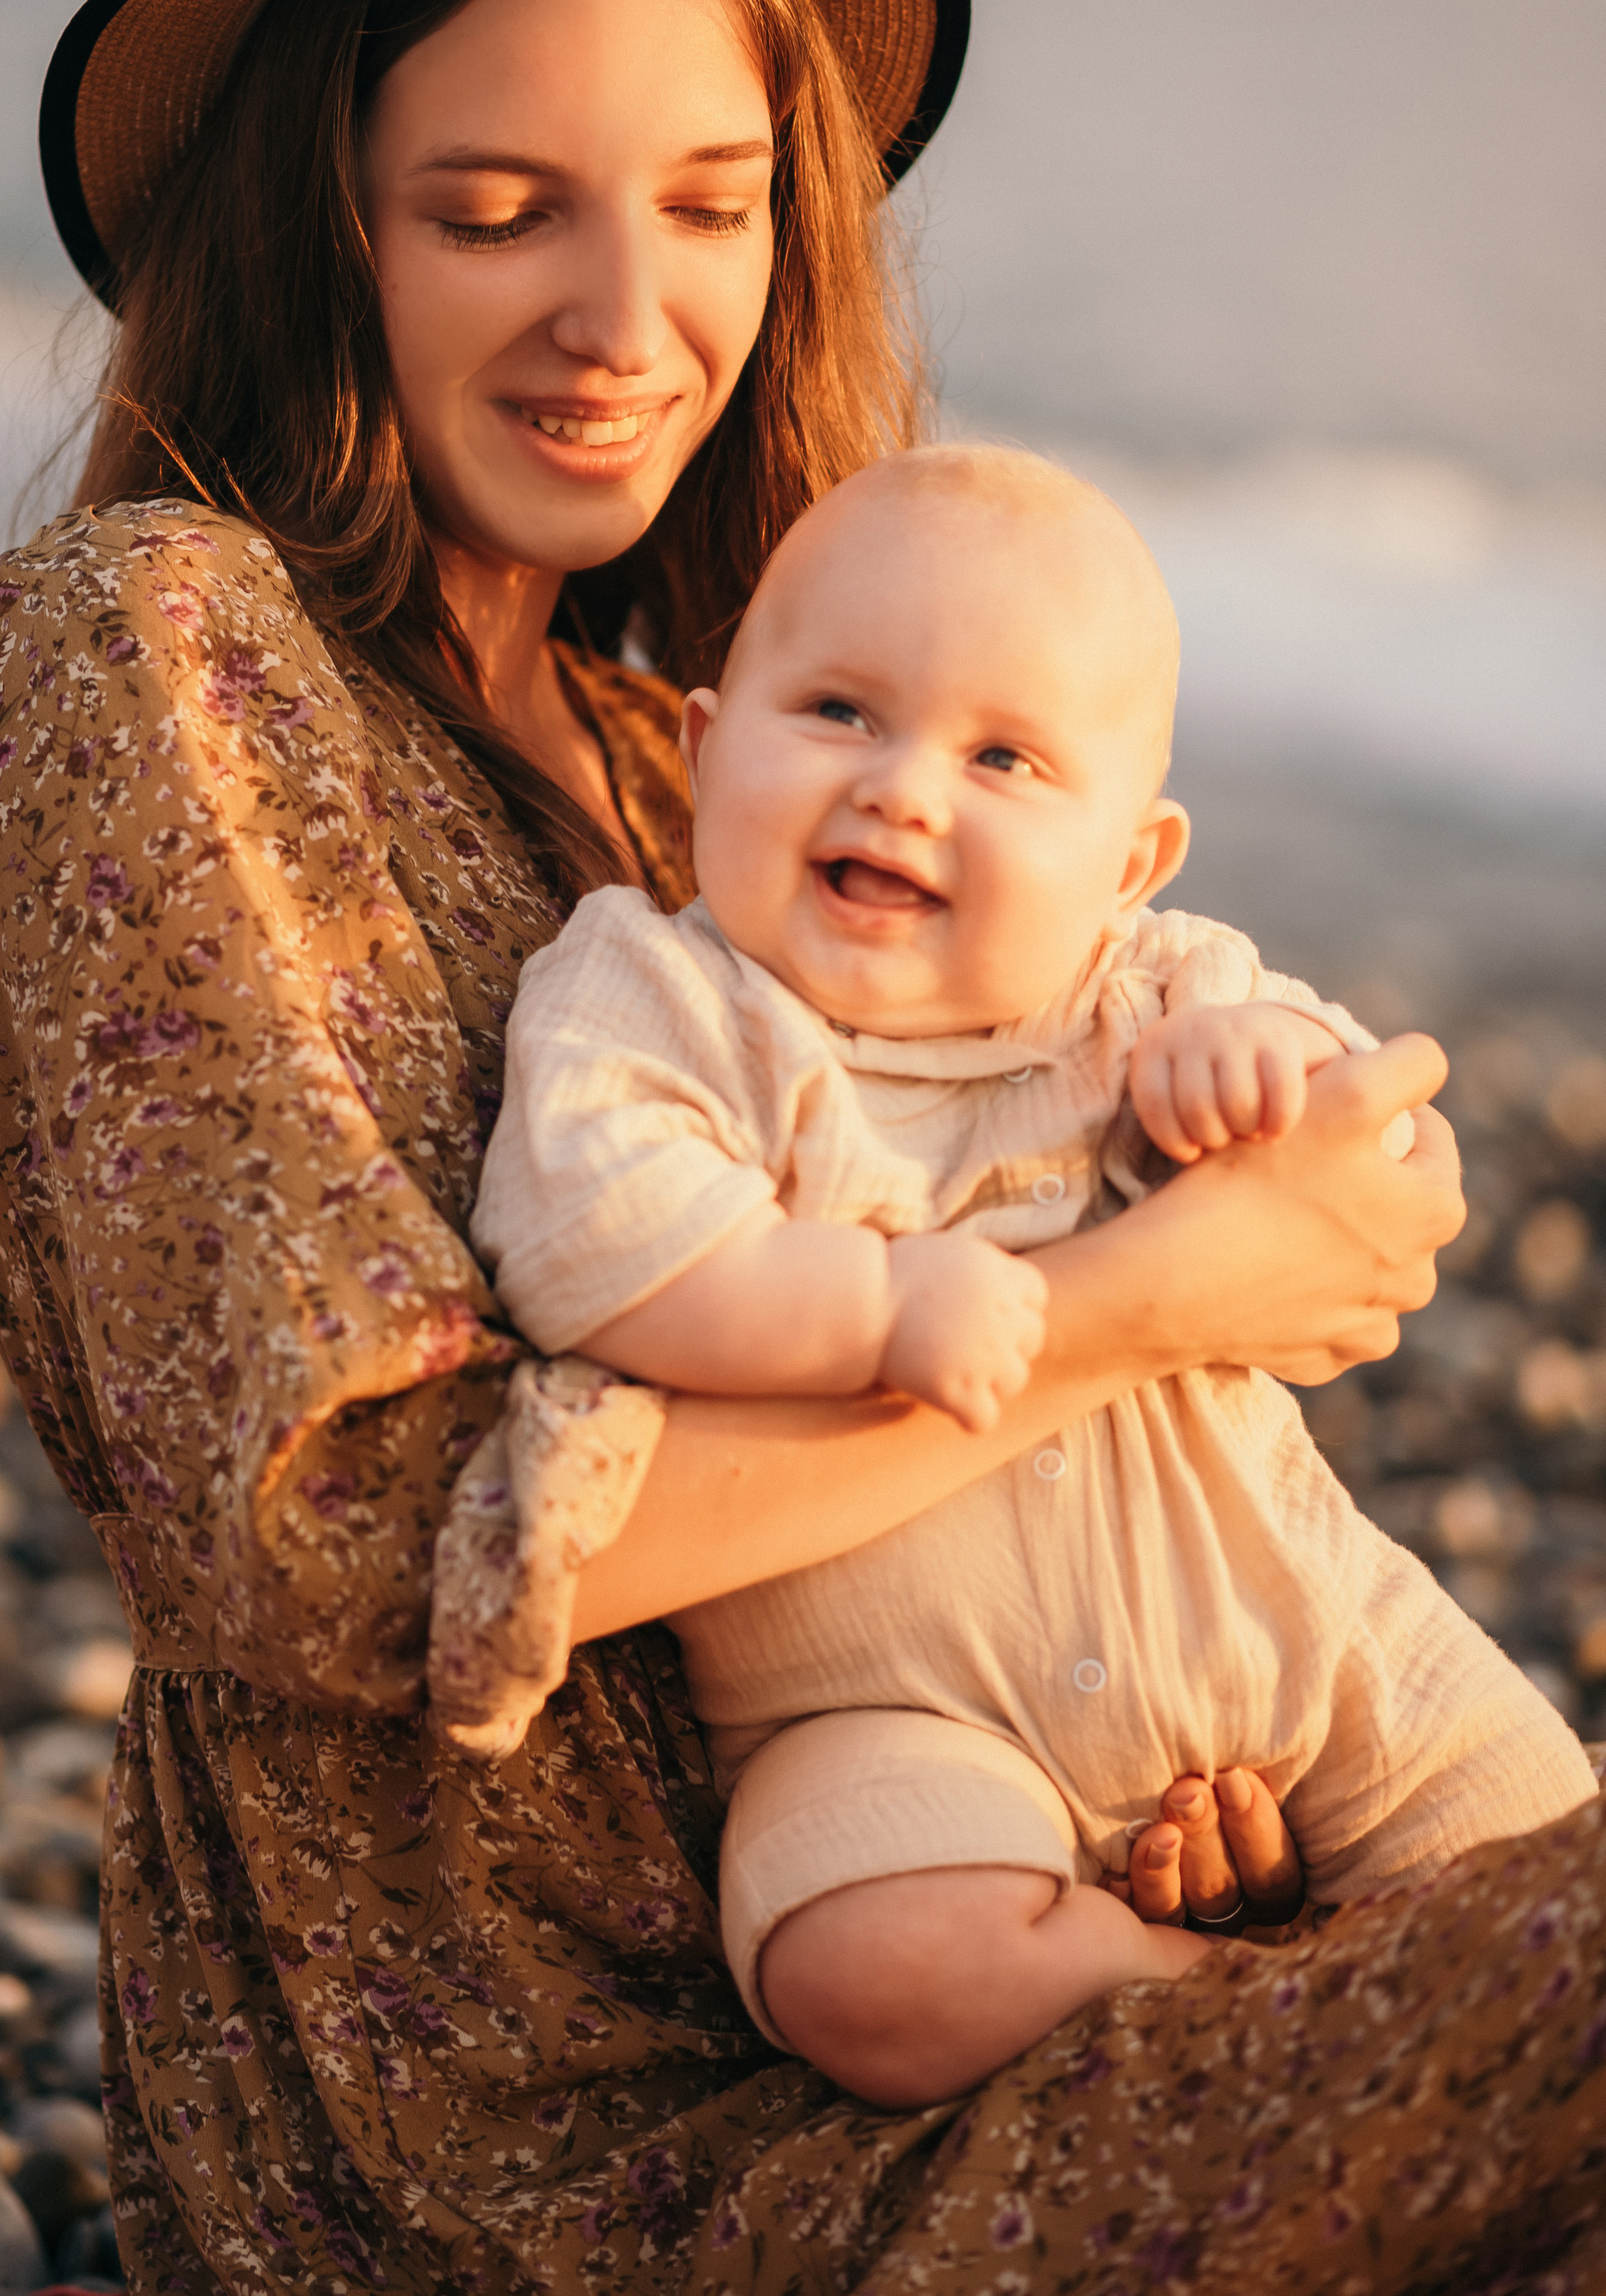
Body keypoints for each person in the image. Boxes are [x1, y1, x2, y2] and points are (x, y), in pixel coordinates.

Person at [0, 0, 1605, 2294]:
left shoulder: (672, 742)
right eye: (500, 209)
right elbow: (345, 1533)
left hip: (962, 1913)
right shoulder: (142, 640)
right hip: (526, 2133)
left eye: (711, 201)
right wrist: (1154, 1300)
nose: (630, 319)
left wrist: (1123, 1744)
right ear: (306, 212)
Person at [470, 442, 1598, 2109]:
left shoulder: (1148, 989)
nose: (904, 788)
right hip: (889, 1715)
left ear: (1128, 860)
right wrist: (872, 1308)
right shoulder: (659, 996)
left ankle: (1410, 1974)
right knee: (864, 1966)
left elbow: (1370, 1173)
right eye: (839, 713)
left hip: (1294, 1642)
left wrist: (1262, 1061)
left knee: (1549, 1885)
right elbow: (592, 1248)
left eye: (1002, 756)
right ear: (706, 751)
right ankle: (1248, 1993)